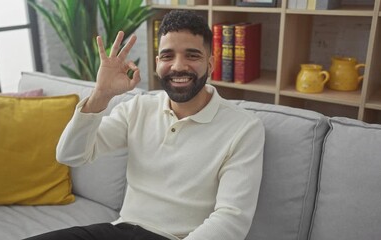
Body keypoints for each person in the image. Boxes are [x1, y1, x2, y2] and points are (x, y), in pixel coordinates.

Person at [25, 9, 264, 240]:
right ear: (158, 62)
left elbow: (232, 218)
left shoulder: (244, 128)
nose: (178, 66)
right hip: (119, 230)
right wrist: (100, 95)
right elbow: (70, 155)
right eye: (168, 56)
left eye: (192, 55)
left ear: (210, 64)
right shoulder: (137, 108)